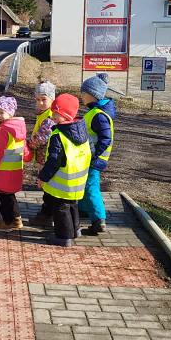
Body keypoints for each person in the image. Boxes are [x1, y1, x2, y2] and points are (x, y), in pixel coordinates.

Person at [37, 94, 91, 248]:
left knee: (60, 208)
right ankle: (75, 230)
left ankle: (64, 236)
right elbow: (91, 151)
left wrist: (43, 177)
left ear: (65, 115)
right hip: (78, 179)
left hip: (62, 181)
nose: (53, 116)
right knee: (72, 204)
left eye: (56, 113)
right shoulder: (82, 131)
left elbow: (54, 160)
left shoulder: (58, 135)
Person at [0, 95, 31, 231]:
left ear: (10, 113)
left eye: (1, 112)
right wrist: (27, 156)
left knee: (3, 197)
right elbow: (24, 146)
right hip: (15, 169)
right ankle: (16, 220)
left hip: (3, 171)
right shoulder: (19, 127)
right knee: (10, 195)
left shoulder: (3, 130)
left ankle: (7, 222)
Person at [78, 72, 116, 236]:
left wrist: (94, 155)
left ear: (92, 94)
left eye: (83, 93)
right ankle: (83, 209)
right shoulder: (95, 112)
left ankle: (99, 220)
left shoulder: (99, 116)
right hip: (90, 157)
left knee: (91, 187)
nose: (81, 96)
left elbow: (105, 139)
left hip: (94, 159)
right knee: (84, 184)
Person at [27, 81, 57, 228]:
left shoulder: (49, 117)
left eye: (44, 99)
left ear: (52, 99)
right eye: (37, 99)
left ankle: (47, 215)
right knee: (47, 187)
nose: (40, 103)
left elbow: (41, 138)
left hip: (47, 158)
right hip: (43, 157)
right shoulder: (43, 114)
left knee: (48, 188)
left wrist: (28, 145)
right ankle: (48, 213)